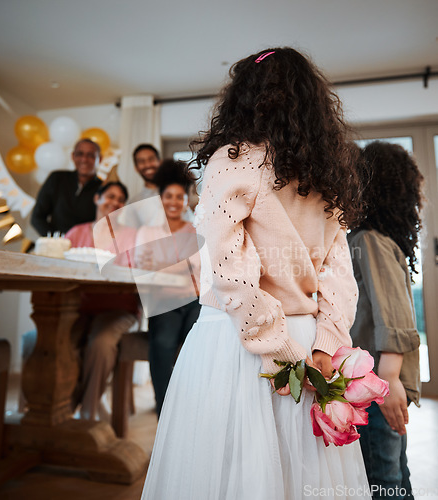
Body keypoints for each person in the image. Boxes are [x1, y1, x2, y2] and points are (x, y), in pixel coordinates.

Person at [141, 47, 370, 499]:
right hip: (306, 342)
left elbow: (227, 265)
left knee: (227, 475)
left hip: (238, 345)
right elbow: (340, 275)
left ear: (244, 97)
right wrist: (326, 343)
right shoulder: (325, 170)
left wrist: (276, 347)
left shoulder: (234, 157)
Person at [348, 141, 423, 499]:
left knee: (383, 480)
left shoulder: (369, 240)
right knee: (394, 475)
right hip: (380, 384)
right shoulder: (374, 240)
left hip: (378, 385)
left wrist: (390, 379)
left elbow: (392, 317)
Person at [65, 181, 140, 420]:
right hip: (77, 307)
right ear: (96, 198)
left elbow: (136, 272)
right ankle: (61, 407)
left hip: (118, 308)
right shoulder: (75, 233)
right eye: (110, 196)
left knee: (100, 343)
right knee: (60, 342)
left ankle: (87, 411)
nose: (114, 202)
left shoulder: (133, 236)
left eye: (120, 199)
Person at [134, 160, 200, 416]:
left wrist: (162, 266)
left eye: (179, 197)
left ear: (186, 201)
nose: (173, 201)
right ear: (160, 199)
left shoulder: (194, 231)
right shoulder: (147, 233)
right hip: (162, 302)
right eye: (168, 196)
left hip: (193, 302)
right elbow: (143, 269)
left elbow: (198, 271)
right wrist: (181, 267)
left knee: (197, 345)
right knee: (162, 343)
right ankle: (164, 408)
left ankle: (191, 408)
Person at [31, 138, 103, 236]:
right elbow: (37, 217)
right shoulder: (57, 178)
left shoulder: (104, 189)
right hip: (55, 245)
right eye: (80, 154)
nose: (84, 159)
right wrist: (56, 240)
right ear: (73, 156)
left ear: (100, 159)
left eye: (90, 155)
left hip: (85, 248)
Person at [123, 143, 196, 228]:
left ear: (160, 162)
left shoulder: (179, 190)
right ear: (136, 168)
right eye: (141, 161)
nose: (148, 165)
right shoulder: (134, 203)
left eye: (151, 159)